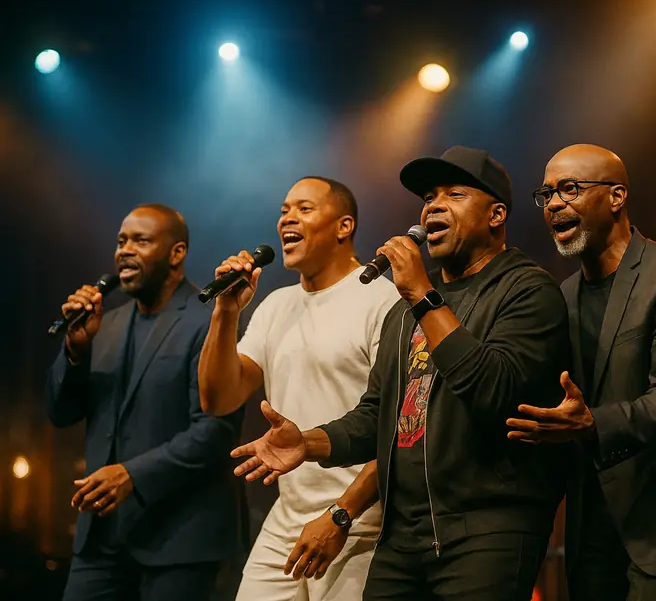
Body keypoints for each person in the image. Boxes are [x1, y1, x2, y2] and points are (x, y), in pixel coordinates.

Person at [229, 146, 571, 601]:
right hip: (404, 533)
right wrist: (306, 442)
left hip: (488, 530)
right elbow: (378, 416)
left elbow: (495, 392)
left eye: (454, 193)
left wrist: (423, 295)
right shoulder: (406, 311)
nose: (433, 205)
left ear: (496, 214)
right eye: (429, 197)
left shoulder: (527, 290)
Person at [505, 144, 656, 601]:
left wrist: (592, 423)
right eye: (548, 194)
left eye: (570, 189)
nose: (555, 203)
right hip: (589, 530)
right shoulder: (560, 295)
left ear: (617, 197)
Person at [198, 177, 398, 600]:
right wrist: (225, 312)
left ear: (344, 226)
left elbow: (399, 424)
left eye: (304, 209)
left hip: (360, 521)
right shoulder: (276, 305)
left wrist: (342, 515)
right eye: (284, 210)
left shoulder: (384, 300)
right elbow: (218, 399)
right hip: (285, 518)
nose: (287, 218)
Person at [45, 204, 246, 601]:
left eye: (141, 240)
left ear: (177, 253)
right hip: (102, 539)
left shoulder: (209, 319)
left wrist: (132, 475)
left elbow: (216, 430)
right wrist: (75, 352)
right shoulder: (104, 324)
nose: (125, 250)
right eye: (121, 241)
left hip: (179, 539)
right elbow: (60, 412)